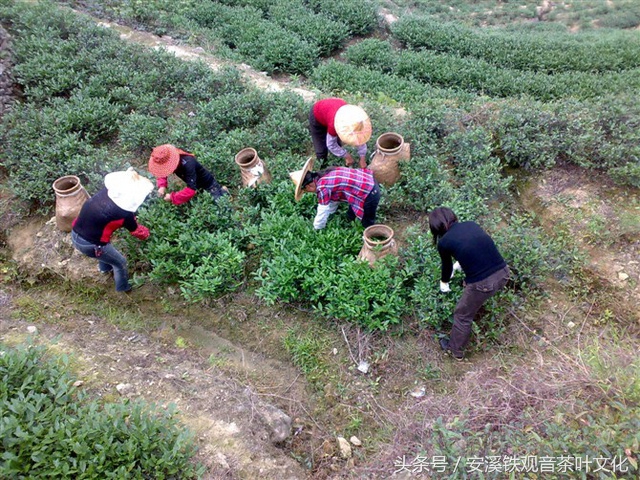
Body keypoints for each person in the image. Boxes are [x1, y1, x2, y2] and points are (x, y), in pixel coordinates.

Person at [428, 207, 510, 361]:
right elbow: (477, 247)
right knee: (473, 288)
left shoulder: (444, 242)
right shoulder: (471, 224)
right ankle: (478, 304)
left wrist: (443, 282)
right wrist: (459, 264)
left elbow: (446, 267)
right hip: (504, 273)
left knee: (462, 315)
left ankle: (455, 351)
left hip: (485, 283)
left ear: (435, 227)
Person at [71, 168, 153, 293]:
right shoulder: (124, 214)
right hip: (91, 244)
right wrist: (148, 235)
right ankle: (123, 288)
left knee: (105, 250)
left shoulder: (105, 193)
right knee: (121, 263)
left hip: (75, 233)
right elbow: (138, 232)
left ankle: (105, 269)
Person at [289, 157, 380, 230]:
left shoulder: (322, 187)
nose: (307, 192)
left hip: (370, 191)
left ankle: (373, 239)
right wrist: (331, 214)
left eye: (305, 191)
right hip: (367, 179)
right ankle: (351, 222)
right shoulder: (324, 174)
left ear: (308, 186)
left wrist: (316, 229)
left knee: (367, 222)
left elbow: (323, 210)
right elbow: (333, 200)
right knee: (350, 215)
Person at [148, 144, 227, 205]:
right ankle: (222, 191)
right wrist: (162, 186)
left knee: (221, 206)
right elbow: (162, 171)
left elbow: (191, 190)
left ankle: (223, 191)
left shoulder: (188, 163)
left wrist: (172, 197)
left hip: (208, 184)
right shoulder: (167, 155)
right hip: (197, 185)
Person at [308, 98, 372, 169]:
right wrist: (347, 156)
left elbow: (360, 139)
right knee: (321, 150)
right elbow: (331, 145)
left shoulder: (357, 122)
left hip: (330, 113)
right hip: (317, 114)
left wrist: (362, 159)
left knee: (338, 144)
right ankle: (322, 168)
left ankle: (338, 162)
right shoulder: (334, 124)